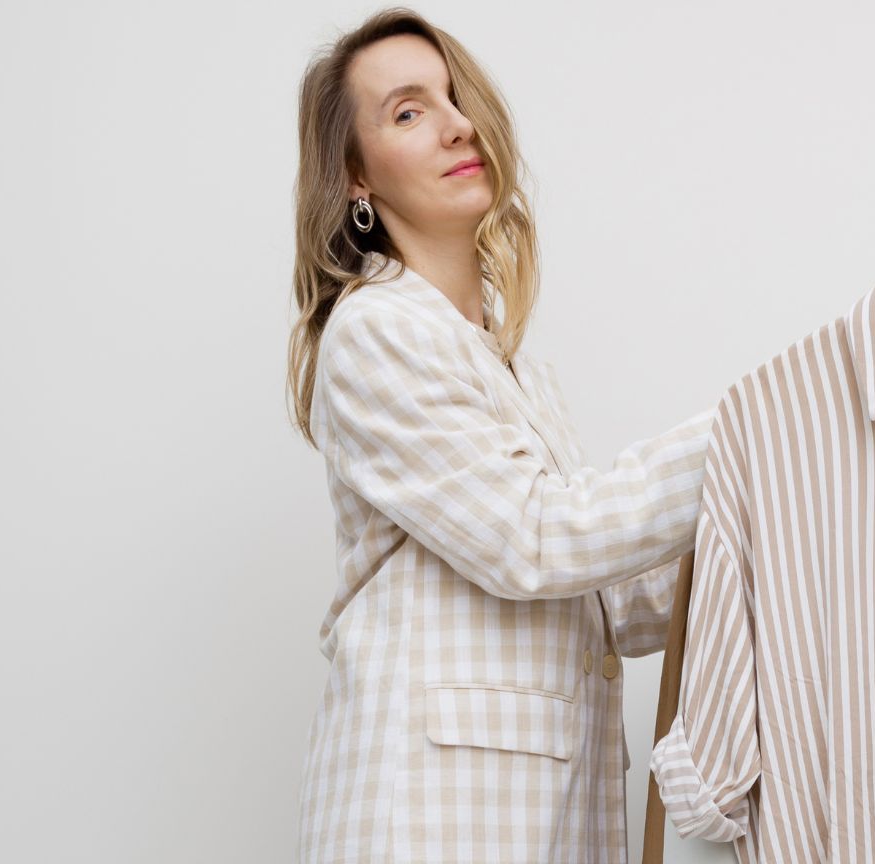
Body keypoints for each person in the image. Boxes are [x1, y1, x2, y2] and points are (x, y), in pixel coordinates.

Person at [284, 8, 715, 861]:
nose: (456, 125)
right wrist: (758, 432)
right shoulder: (377, 331)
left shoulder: (515, 371)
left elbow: (614, 605)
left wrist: (792, 505)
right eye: (408, 112)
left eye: (453, 97)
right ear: (355, 176)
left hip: (540, 817)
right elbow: (538, 540)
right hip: (430, 819)